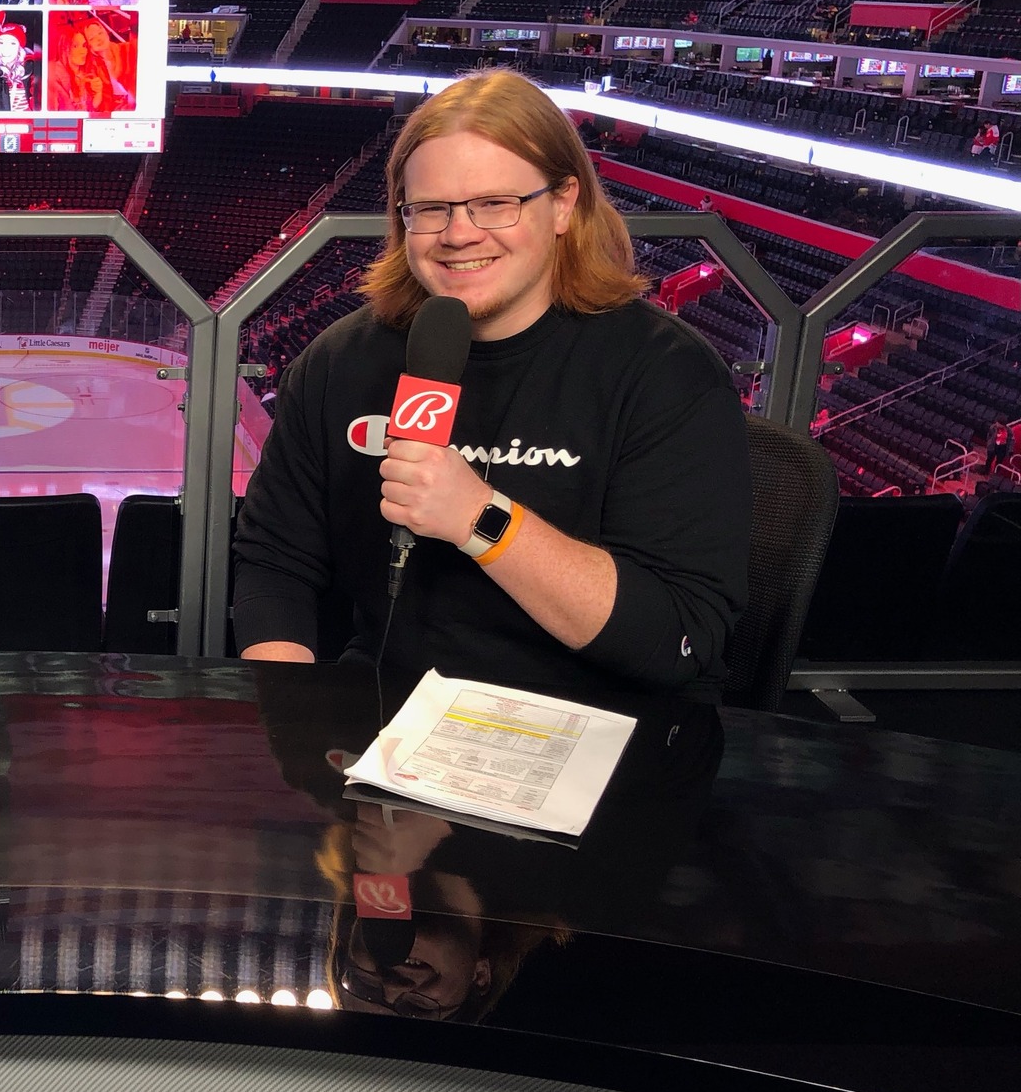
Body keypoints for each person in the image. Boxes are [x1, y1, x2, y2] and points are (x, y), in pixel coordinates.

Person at [233, 69, 749, 702]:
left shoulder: (666, 374)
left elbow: (679, 638)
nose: (458, 233)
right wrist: (291, 719)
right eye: (431, 209)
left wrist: (481, 519)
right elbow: (275, 563)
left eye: (496, 204)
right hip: (385, 727)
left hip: (602, 738)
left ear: (564, 203)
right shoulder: (342, 360)